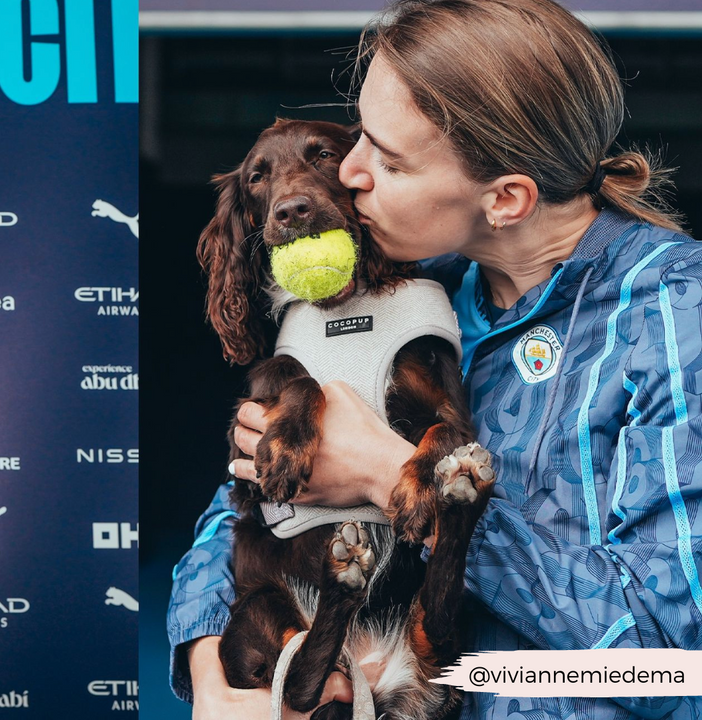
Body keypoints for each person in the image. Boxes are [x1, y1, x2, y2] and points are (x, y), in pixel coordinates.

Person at [167, 1, 702, 718]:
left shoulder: (673, 313)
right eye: (357, 138)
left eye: (387, 159)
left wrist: (387, 474)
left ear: (507, 198)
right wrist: (210, 666)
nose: (350, 174)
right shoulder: (411, 288)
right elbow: (242, 502)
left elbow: (672, 665)